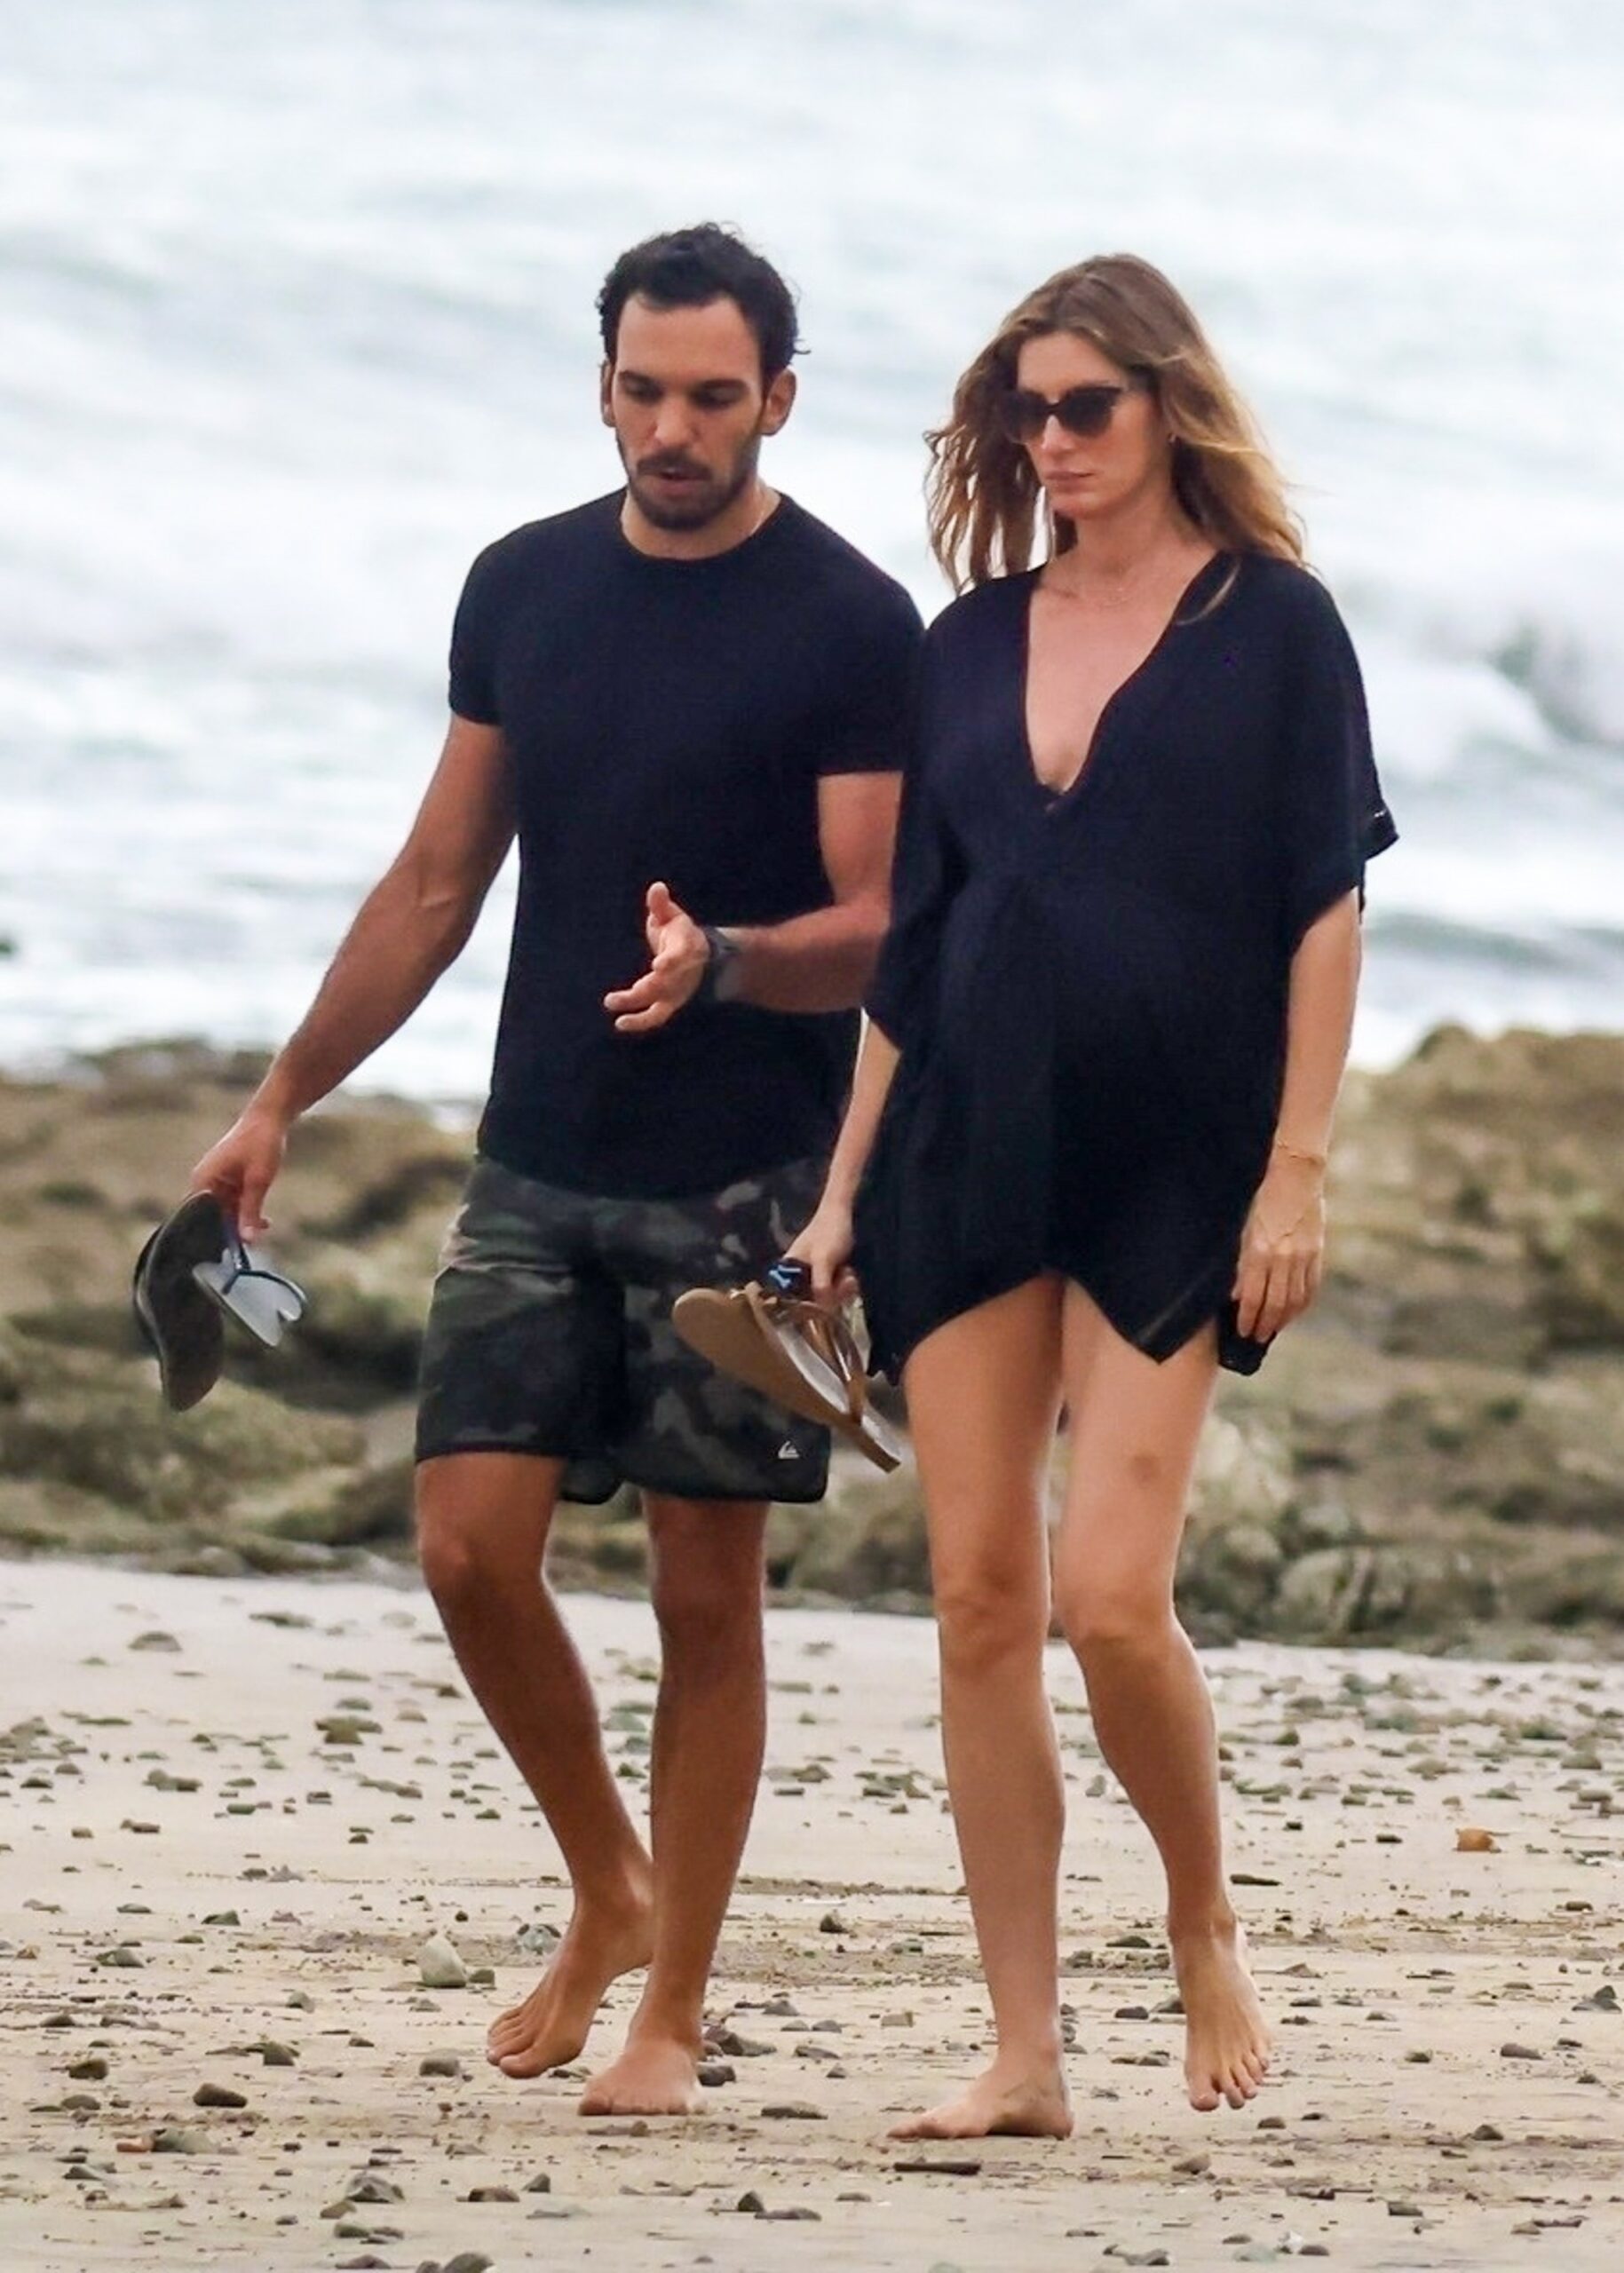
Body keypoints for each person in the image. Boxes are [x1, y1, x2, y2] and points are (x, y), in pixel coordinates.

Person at [191, 223, 922, 2117]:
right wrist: (281, 1095)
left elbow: (887, 923)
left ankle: (671, 2004)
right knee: (463, 1545)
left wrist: (730, 961)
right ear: (601, 381)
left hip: (747, 1177)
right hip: (537, 1153)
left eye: (710, 394)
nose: (671, 428)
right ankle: (608, 1875)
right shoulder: (522, 587)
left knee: (705, 1592)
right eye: (641, 389)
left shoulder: (849, 623)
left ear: (779, 394)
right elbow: (439, 881)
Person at [789, 253, 1396, 2140]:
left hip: (1175, 1161)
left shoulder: (1277, 628)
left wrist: (1296, 1168)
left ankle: (1201, 1908)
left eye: (1084, 408)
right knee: (980, 1597)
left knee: (1109, 1595)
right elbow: (915, 950)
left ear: (1166, 404)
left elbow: (1325, 904)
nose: (1051, 444)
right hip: (966, 1149)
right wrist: (834, 1204)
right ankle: (1025, 2050)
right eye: (1024, 415)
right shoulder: (966, 641)